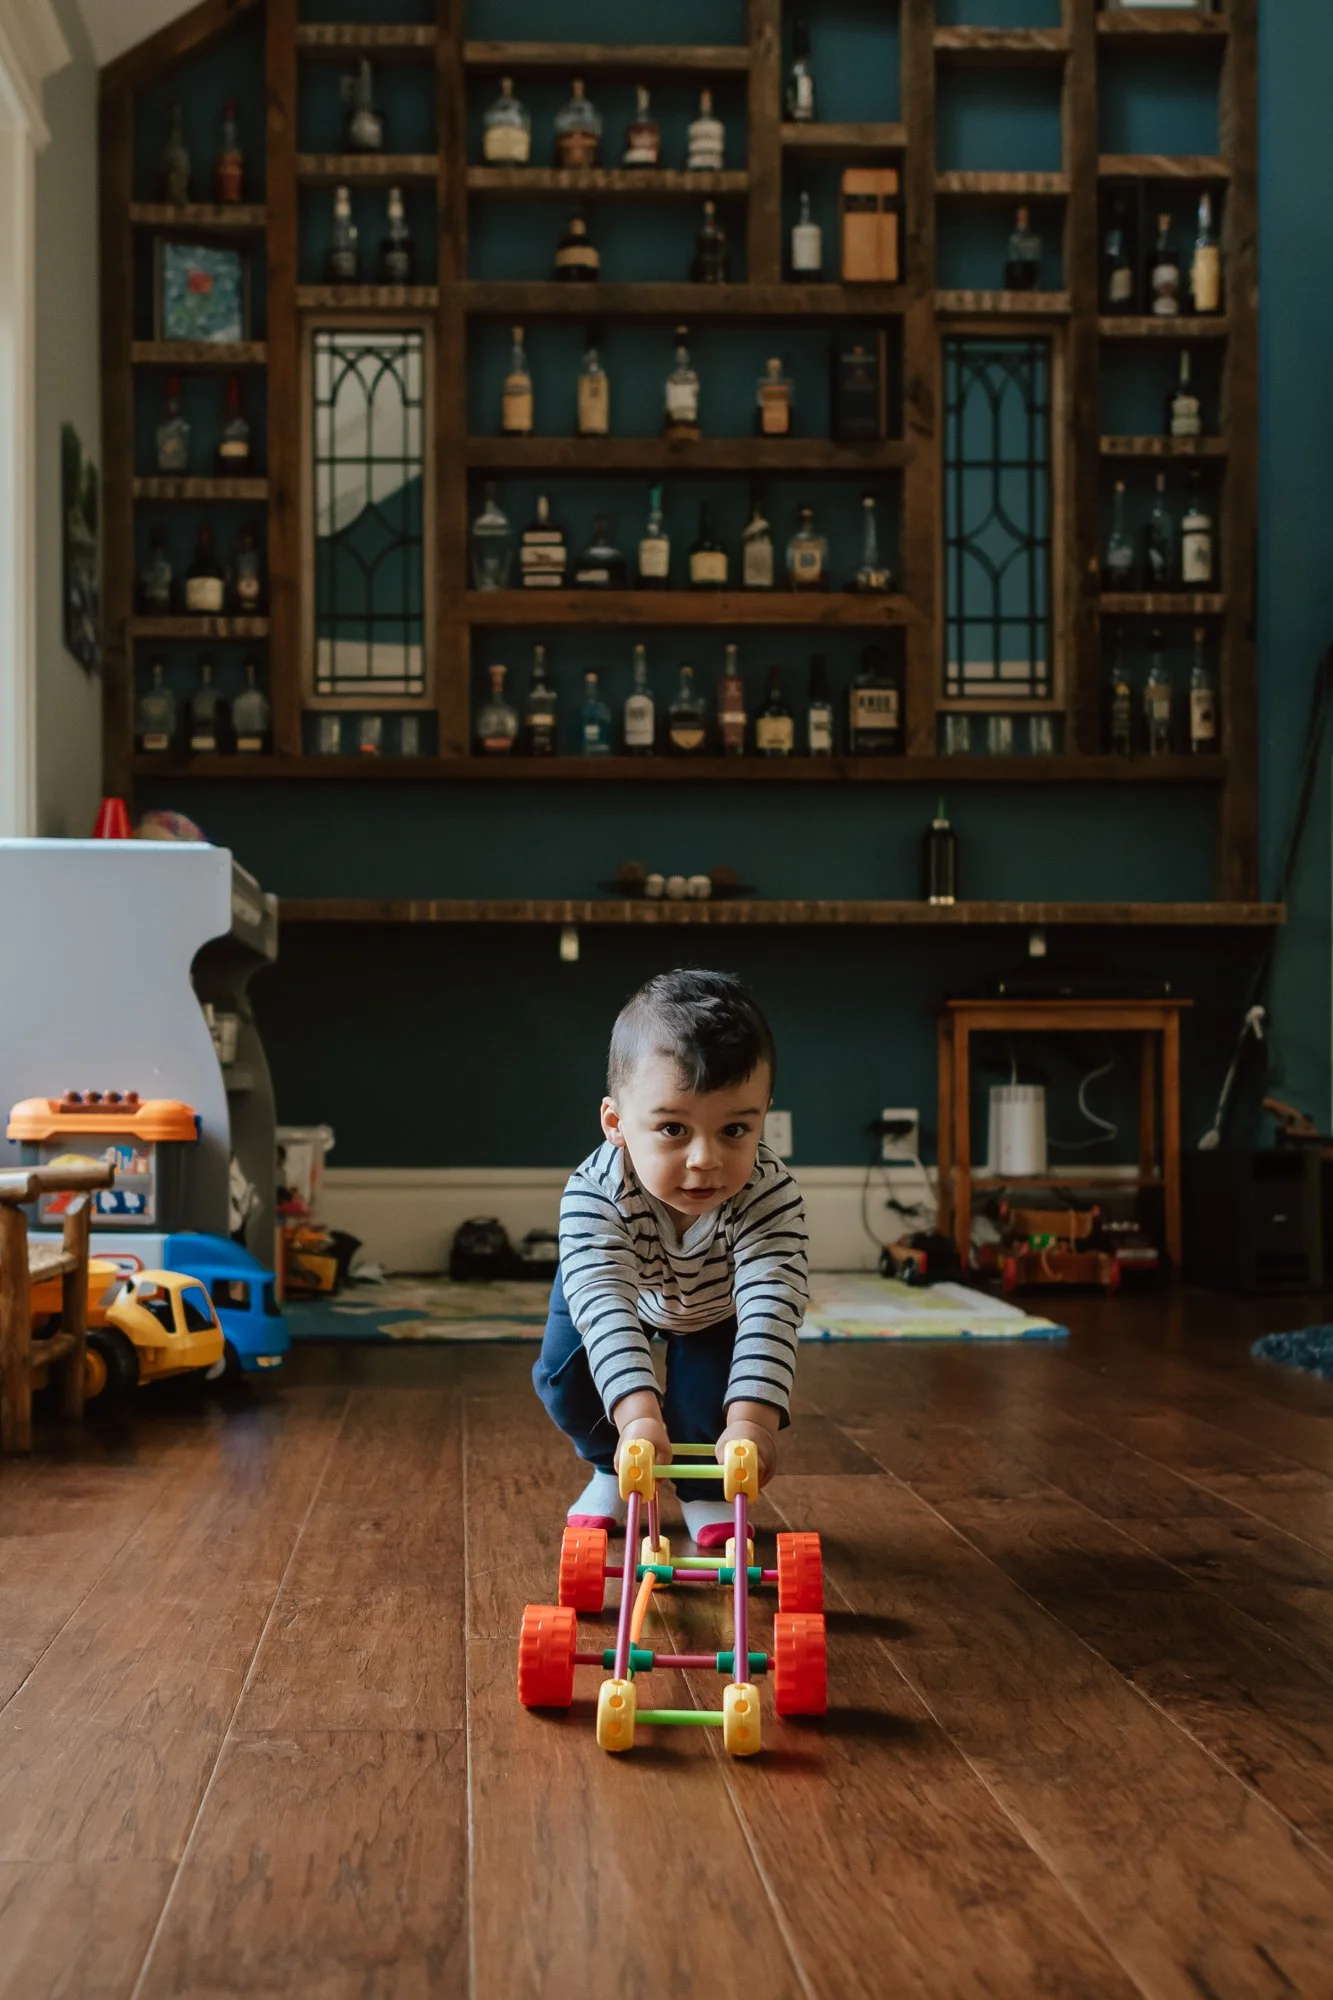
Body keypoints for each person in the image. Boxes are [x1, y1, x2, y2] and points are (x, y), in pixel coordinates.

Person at [533, 967, 809, 1548]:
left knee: (703, 1399)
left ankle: (707, 1489)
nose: (705, 1158)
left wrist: (751, 1424)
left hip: (718, 1304)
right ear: (617, 1123)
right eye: (673, 1129)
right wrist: (634, 1419)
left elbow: (771, 1304)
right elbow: (605, 1305)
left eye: (735, 1128)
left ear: (763, 1115)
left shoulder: (769, 1194)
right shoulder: (594, 1193)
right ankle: (611, 1469)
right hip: (614, 1294)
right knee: (567, 1379)